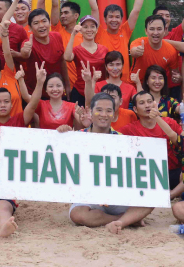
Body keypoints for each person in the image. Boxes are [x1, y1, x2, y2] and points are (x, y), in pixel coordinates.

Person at [66, 90, 156, 234]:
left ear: (114, 115)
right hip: (89, 195)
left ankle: (124, 219)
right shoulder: (77, 137)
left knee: (152, 198)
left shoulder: (123, 140)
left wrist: (112, 192)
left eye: (108, 111)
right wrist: (61, 135)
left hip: (117, 195)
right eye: (99, 110)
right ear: (91, 112)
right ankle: (125, 219)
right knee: (77, 215)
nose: (104, 114)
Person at [119, 90, 184, 194]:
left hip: (173, 172)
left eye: (149, 102)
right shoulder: (129, 129)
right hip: (146, 177)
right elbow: (109, 140)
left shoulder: (170, 122)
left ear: (155, 104)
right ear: (135, 109)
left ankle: (170, 196)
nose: (147, 105)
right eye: (142, 103)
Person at [94, 0, 153, 77]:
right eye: (110, 17)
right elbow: (94, 9)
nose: (114, 20)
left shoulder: (125, 31)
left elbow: (136, 10)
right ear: (105, 19)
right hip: (105, 81)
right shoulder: (99, 33)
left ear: (122, 19)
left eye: (117, 17)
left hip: (124, 81)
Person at [17, 8, 68, 96]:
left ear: (49, 23)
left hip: (56, 92)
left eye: (44, 21)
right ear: (30, 28)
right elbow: (25, 54)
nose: (41, 25)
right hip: (35, 94)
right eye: (36, 23)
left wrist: (67, 85)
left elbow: (62, 61)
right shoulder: (28, 43)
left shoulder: (57, 36)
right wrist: (25, 50)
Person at [128, 14, 181, 93]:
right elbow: (133, 51)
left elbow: (175, 75)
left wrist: (177, 78)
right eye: (152, 29)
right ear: (146, 31)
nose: (155, 33)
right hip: (134, 87)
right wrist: (137, 51)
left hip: (156, 89)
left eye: (159, 29)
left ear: (164, 31)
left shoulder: (171, 50)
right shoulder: (138, 43)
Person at [63, 16, 108, 105]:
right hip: (80, 92)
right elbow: (67, 57)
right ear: (81, 30)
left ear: (96, 30)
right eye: (85, 27)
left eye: (92, 26)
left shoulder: (104, 49)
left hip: (99, 92)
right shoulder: (77, 49)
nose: (89, 30)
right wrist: (73, 34)